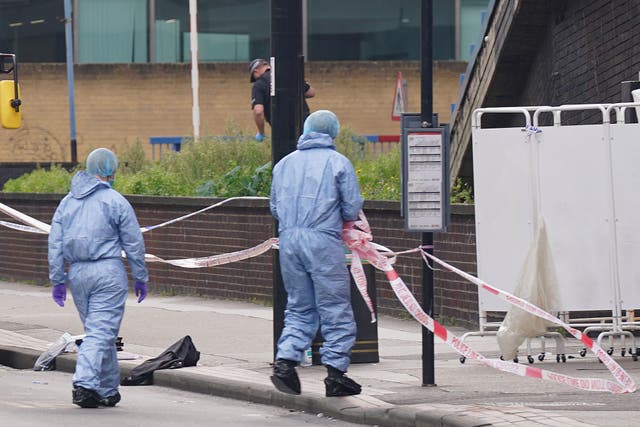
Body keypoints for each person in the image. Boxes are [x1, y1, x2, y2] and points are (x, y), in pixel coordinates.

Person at [269, 110, 363, 397]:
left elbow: (273, 207)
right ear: (332, 133)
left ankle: (285, 362)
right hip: (322, 240)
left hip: (289, 240)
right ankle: (336, 373)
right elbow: (351, 208)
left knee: (299, 306)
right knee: (334, 307)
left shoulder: (284, 164)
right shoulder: (338, 163)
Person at [48, 148, 149, 408]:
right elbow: (134, 242)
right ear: (111, 171)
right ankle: (84, 383)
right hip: (108, 271)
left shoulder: (67, 202)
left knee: (99, 333)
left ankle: (106, 388)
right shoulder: (115, 201)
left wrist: (58, 279)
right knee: (101, 333)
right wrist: (140, 276)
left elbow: (55, 244)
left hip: (78, 274)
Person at [249, 58, 316, 141]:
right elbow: (311, 93)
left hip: (281, 129)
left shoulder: (259, 84)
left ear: (256, 71)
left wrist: (261, 133)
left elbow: (258, 111)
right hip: (304, 123)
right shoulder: (289, 75)